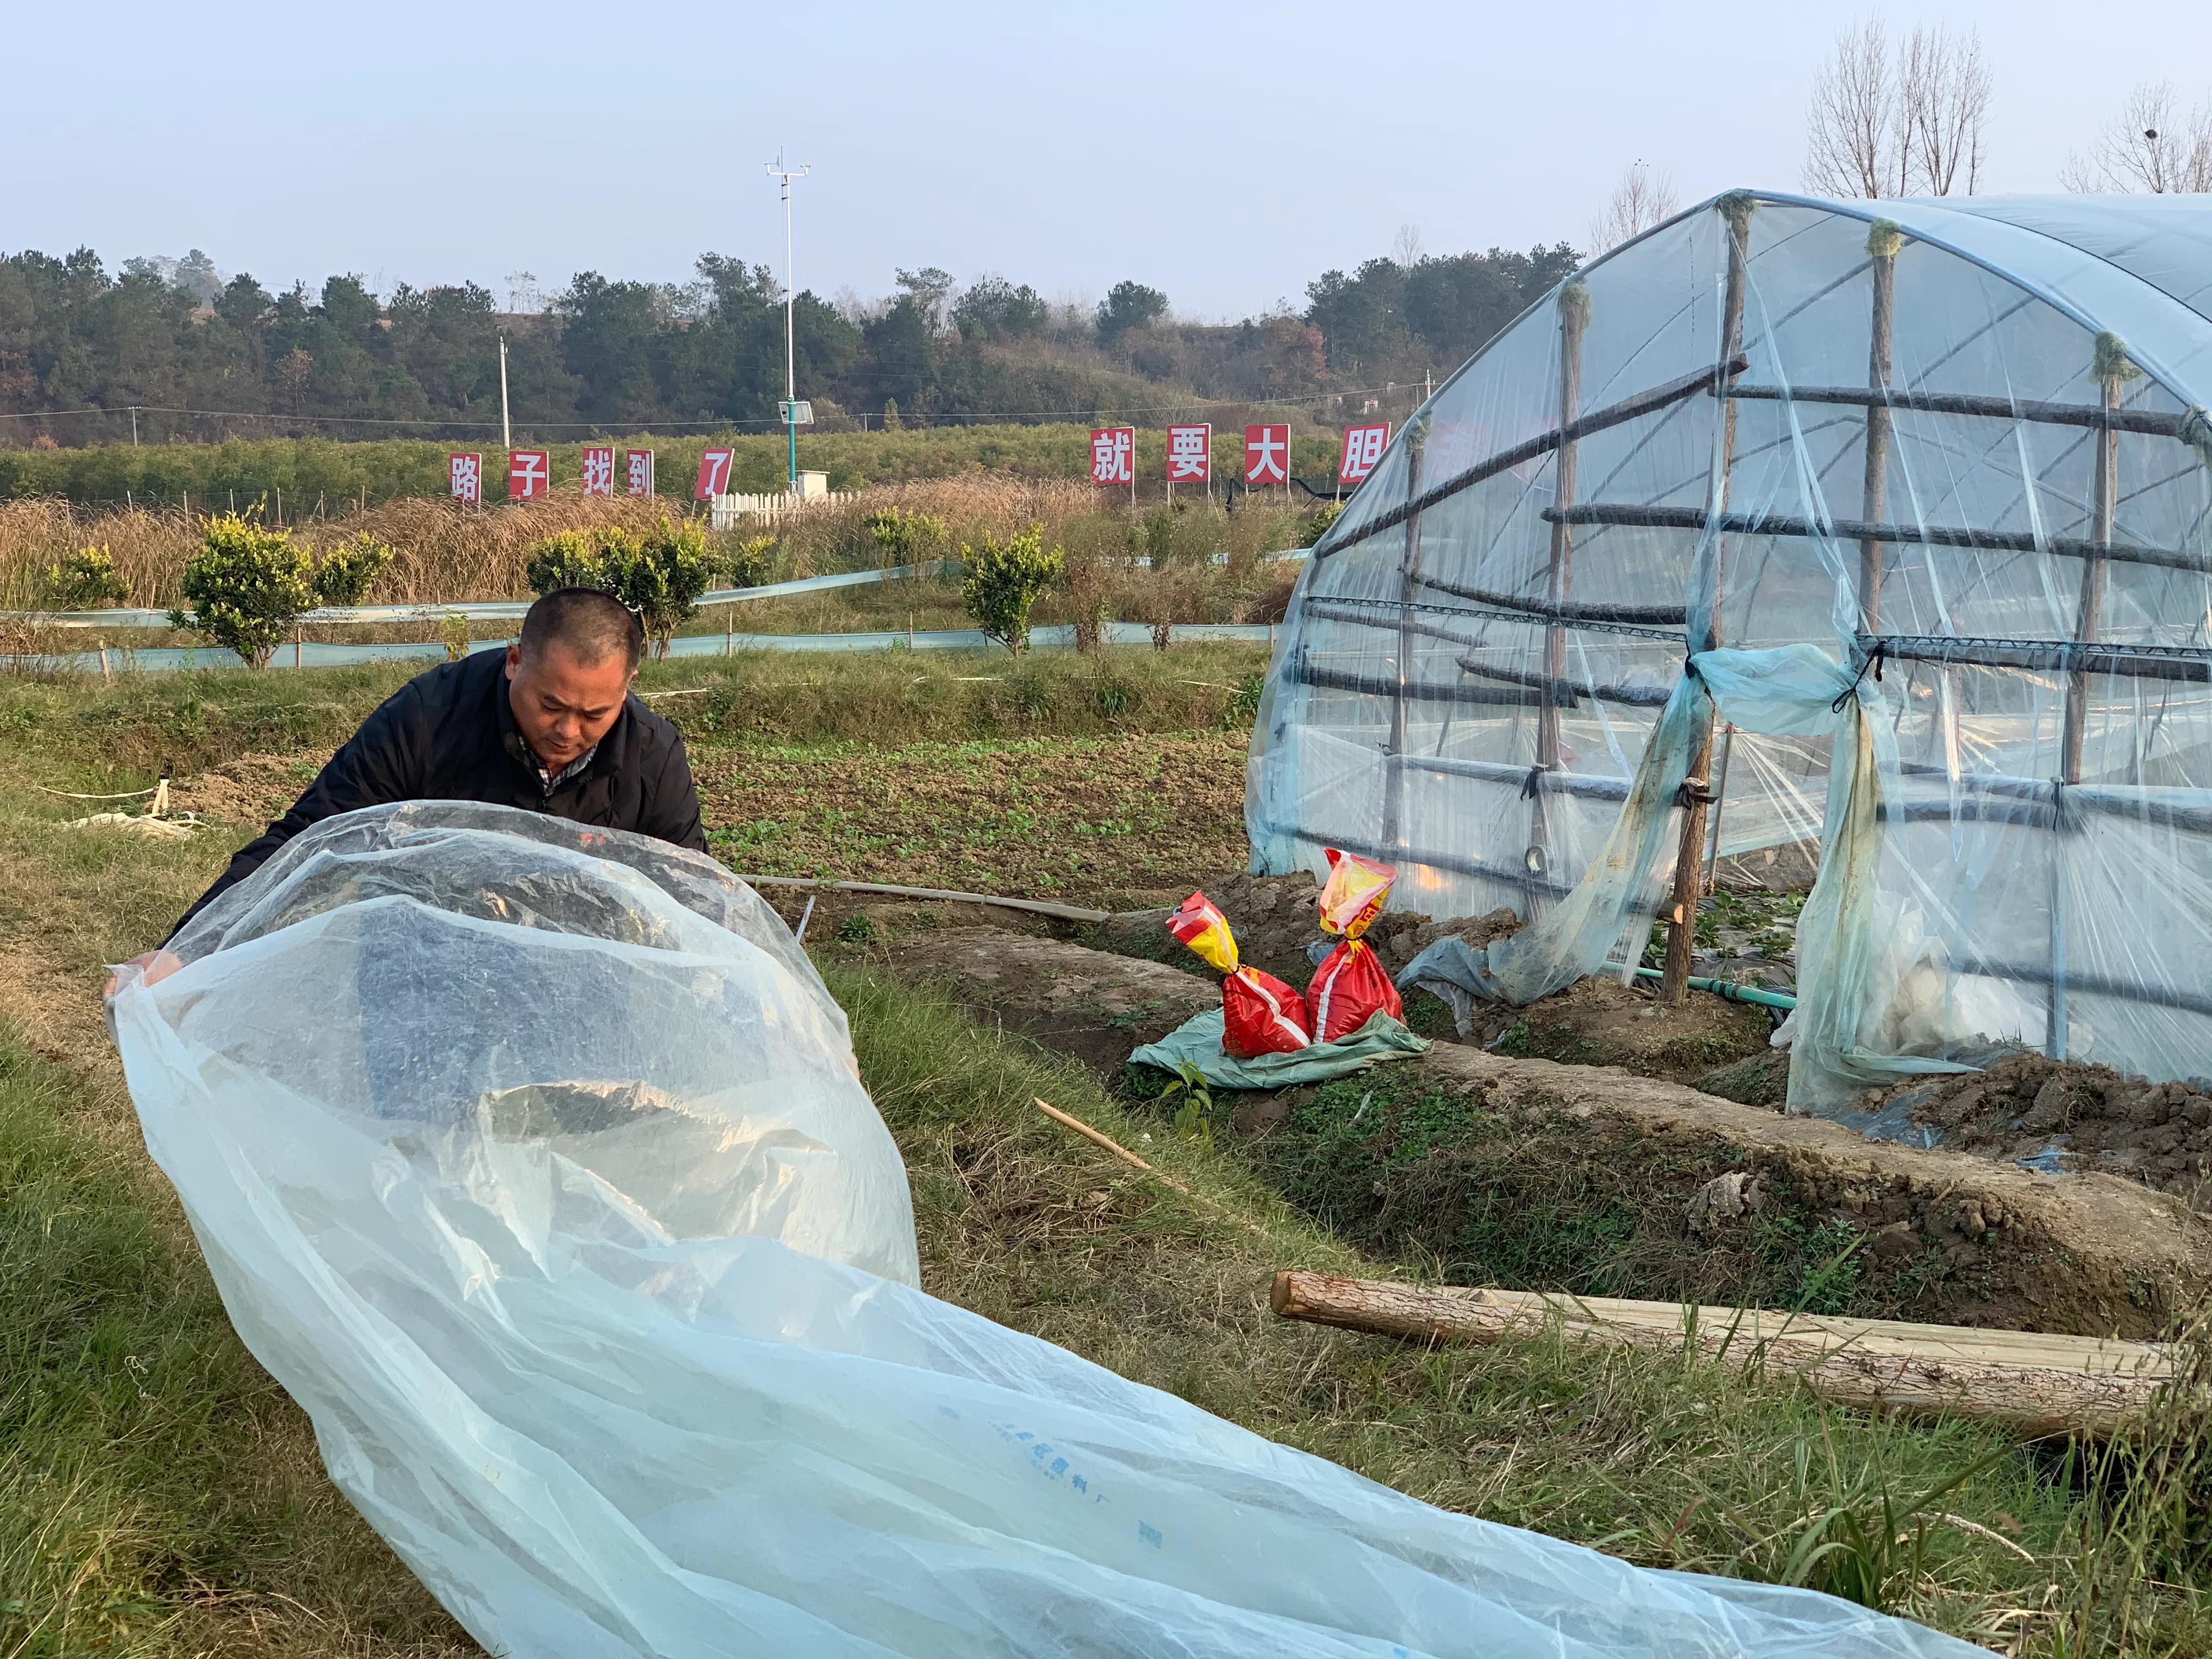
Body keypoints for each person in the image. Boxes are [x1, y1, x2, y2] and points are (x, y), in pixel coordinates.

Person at [119, 586, 706, 986]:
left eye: (594, 714)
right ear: (513, 660)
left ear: (627, 687)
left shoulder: (650, 755)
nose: (568, 730)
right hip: (423, 964)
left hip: (578, 979)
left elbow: (692, 891)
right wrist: (188, 950)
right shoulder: (429, 719)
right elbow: (311, 839)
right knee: (419, 1149)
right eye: (550, 705)